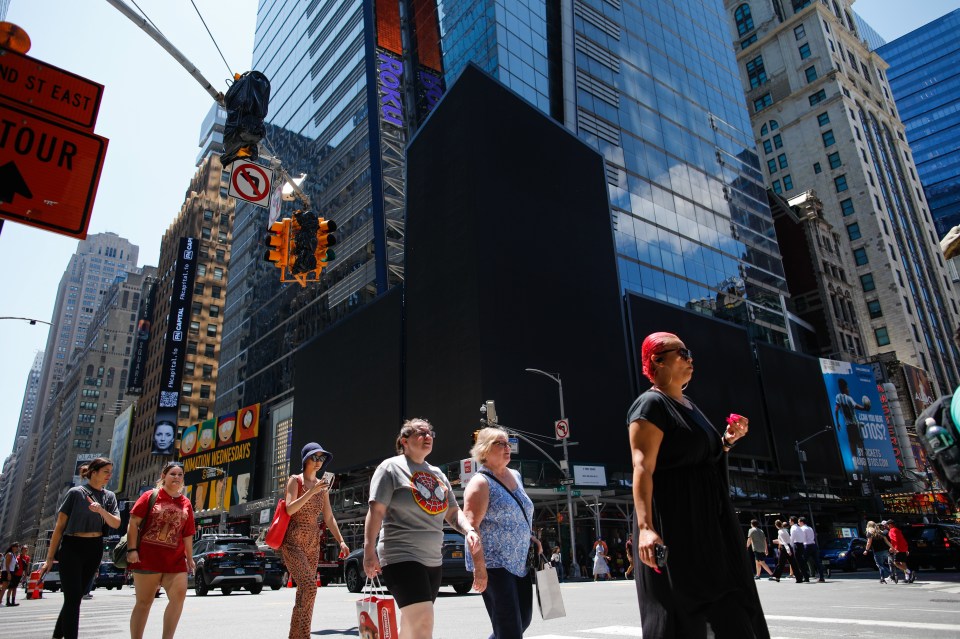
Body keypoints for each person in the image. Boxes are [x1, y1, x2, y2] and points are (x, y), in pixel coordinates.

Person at [627, 332, 769, 638]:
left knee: (733, 610)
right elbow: (642, 466)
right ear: (657, 360)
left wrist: (728, 441)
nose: (690, 358)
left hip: (711, 527)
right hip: (677, 525)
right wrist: (646, 527)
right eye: (682, 352)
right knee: (684, 615)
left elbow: (703, 456)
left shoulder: (688, 404)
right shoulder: (650, 405)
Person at [364, 418, 481, 639]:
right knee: (424, 622)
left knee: (411, 627)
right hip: (401, 556)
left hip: (433, 561)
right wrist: (369, 553)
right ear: (404, 441)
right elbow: (376, 511)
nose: (428, 437)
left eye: (430, 433)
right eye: (421, 433)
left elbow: (453, 512)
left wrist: (469, 531)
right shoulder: (390, 468)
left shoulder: (438, 473)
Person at [463, 426, 540, 639]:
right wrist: (480, 568)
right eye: (501, 444)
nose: (508, 447)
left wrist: (529, 536)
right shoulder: (480, 483)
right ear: (485, 449)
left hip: (519, 561)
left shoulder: (515, 475)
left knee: (523, 619)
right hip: (494, 563)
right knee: (509, 628)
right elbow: (472, 528)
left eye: (508, 443)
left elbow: (518, 513)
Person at [40, 457, 121, 639]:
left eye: (110, 472)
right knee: (73, 597)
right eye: (105, 471)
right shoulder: (76, 493)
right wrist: (49, 558)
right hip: (72, 546)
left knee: (75, 598)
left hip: (95, 548)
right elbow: (59, 527)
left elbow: (116, 523)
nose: (109, 475)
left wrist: (101, 510)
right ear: (93, 472)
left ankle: (57, 636)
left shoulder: (109, 497)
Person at [280, 442, 350, 639]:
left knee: (307, 592)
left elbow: (329, 517)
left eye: (322, 458)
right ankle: (304, 636)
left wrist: (341, 541)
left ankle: (297, 636)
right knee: (310, 587)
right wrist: (311, 491)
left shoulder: (323, 486)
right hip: (293, 540)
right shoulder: (295, 481)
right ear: (305, 459)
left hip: (312, 542)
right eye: (315, 457)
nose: (319, 462)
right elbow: (289, 508)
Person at [126, 462, 196, 639]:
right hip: (148, 558)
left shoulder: (186, 503)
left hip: (175, 559)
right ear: (163, 476)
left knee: (179, 598)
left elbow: (188, 534)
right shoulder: (150, 496)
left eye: (180, 475)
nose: (177, 478)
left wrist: (190, 557)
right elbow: (133, 523)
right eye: (173, 474)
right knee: (144, 602)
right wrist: (132, 549)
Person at [799, 517, 825, 582]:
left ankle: (804, 577)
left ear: (802, 522)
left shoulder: (802, 529)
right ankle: (821, 577)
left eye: (799, 522)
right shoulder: (810, 528)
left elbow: (802, 538)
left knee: (803, 562)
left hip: (806, 545)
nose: (798, 523)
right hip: (813, 545)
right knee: (817, 561)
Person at [788, 516, 809, 582]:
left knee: (797, 562)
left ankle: (801, 577)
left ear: (792, 521)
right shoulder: (799, 528)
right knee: (801, 562)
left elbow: (792, 538)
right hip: (801, 544)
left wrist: (790, 546)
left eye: (789, 520)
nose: (789, 522)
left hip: (796, 544)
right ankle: (805, 576)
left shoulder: (793, 528)